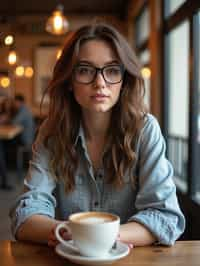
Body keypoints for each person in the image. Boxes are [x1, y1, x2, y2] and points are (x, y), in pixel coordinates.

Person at [10, 23, 185, 247]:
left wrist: (99, 237)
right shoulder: (52, 132)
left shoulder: (145, 130)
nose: (100, 83)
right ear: (70, 81)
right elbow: (26, 213)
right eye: (85, 70)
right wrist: (65, 232)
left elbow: (165, 216)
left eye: (112, 70)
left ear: (124, 81)